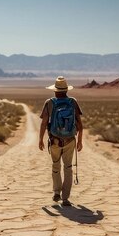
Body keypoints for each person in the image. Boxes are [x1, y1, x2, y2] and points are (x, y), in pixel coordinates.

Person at [39, 76, 83, 206]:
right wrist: (80, 141)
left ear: (55, 90)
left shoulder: (49, 103)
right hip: (70, 140)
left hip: (55, 140)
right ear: (66, 90)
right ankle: (65, 198)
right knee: (68, 168)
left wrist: (40, 139)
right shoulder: (73, 102)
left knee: (55, 166)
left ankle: (56, 192)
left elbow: (43, 123)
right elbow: (80, 124)